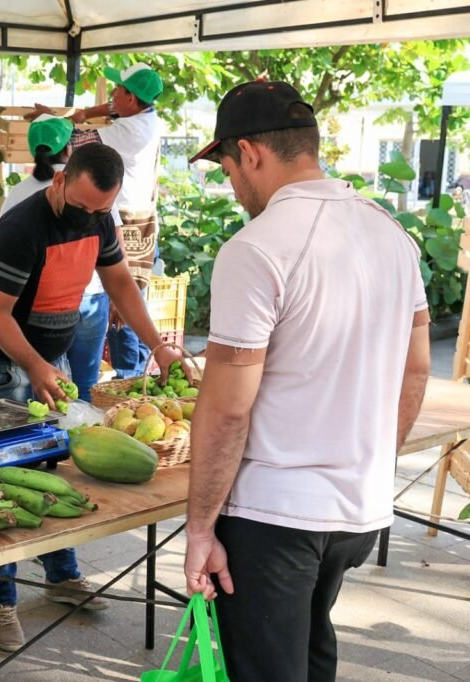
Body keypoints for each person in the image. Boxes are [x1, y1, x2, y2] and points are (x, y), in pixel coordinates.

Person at [183, 81, 431, 682]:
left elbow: (227, 410)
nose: (231, 185)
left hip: (276, 517)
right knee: (313, 655)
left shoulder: (258, 246)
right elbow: (417, 365)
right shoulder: (391, 234)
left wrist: (198, 529)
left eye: (226, 167)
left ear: (250, 152)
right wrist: (371, 461)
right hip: (360, 512)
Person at [0, 143, 185, 652]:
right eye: (82, 207)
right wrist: (35, 365)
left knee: (52, 470)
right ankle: (0, 599)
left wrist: (158, 348)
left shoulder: (100, 218)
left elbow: (121, 283)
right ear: (61, 181)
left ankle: (62, 574)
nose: (88, 219)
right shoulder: (21, 227)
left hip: (51, 362)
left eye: (99, 211)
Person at [31, 64, 165, 379]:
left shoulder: (130, 131)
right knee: (122, 302)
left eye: (119, 89)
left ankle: (131, 379)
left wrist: (52, 117)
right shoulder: (143, 115)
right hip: (134, 218)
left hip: (127, 226)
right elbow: (109, 108)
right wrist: (84, 111)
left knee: (124, 312)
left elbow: (73, 141)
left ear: (131, 99)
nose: (113, 94)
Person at [0, 115, 108, 398]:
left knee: (50, 396)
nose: (89, 215)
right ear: (69, 149)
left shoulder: (17, 193)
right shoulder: (94, 186)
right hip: (90, 296)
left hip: (33, 312)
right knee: (82, 388)